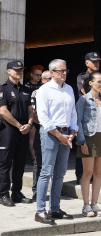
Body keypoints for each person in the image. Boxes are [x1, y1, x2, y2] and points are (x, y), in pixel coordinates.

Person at [35, 59, 78, 225]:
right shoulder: (44, 90)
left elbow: (72, 112)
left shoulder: (69, 89)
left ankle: (55, 208)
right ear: (52, 73)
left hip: (66, 133)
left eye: (66, 70)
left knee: (60, 173)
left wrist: (72, 131)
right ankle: (40, 211)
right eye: (61, 71)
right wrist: (58, 135)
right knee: (46, 172)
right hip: (51, 134)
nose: (64, 73)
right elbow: (43, 116)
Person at [76, 72, 101, 217]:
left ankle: (95, 203)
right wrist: (82, 142)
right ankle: (86, 205)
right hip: (89, 138)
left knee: (98, 173)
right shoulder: (83, 99)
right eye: (98, 82)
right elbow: (78, 122)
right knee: (87, 173)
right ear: (90, 83)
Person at [0, 60, 34, 207]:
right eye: (16, 70)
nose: (19, 72)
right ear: (8, 71)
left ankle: (17, 193)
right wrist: (19, 125)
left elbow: (30, 110)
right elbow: (3, 111)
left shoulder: (26, 89)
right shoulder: (4, 89)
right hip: (8, 129)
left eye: (21, 70)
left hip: (24, 129)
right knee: (5, 163)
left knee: (20, 163)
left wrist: (30, 124)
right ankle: (3, 194)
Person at [76, 52, 101, 185]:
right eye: (93, 61)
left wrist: (100, 92)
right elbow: (85, 93)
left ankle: (95, 175)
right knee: (84, 149)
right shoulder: (81, 77)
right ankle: (80, 175)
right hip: (87, 117)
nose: (96, 63)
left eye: (98, 61)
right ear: (87, 63)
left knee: (97, 152)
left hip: (100, 121)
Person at [31, 70, 53, 201]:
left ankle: (55, 190)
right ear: (42, 80)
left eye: (52, 78)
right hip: (43, 131)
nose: (51, 81)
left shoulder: (59, 92)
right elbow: (34, 114)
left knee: (55, 164)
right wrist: (48, 125)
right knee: (39, 163)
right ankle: (36, 191)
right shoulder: (37, 93)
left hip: (56, 132)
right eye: (48, 79)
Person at [25, 65, 43, 172]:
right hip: (32, 113)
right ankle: (33, 159)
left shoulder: (43, 85)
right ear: (31, 74)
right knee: (32, 137)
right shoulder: (26, 86)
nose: (39, 77)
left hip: (42, 114)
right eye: (37, 75)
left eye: (40, 75)